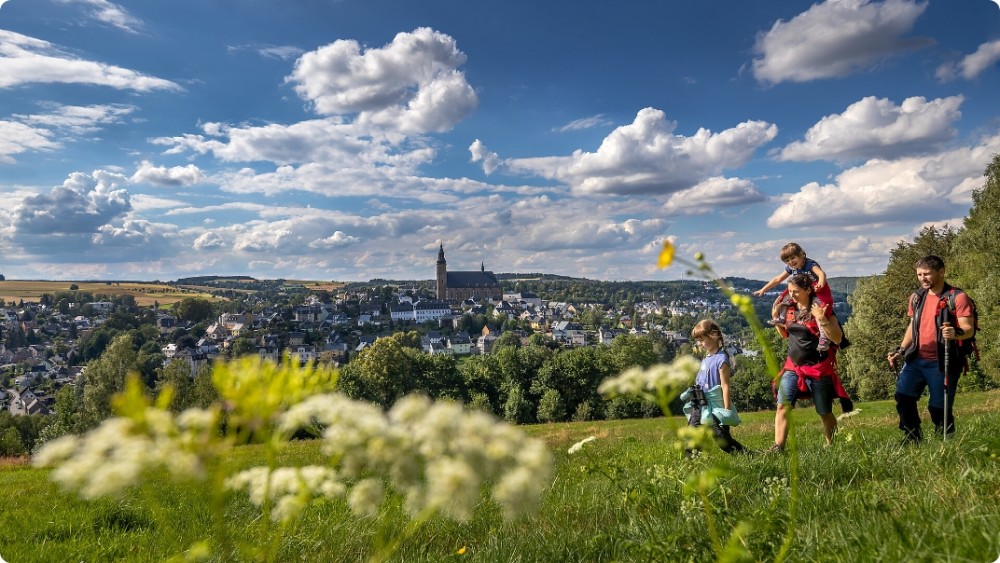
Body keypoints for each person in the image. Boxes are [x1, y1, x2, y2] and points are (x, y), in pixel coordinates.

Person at [887, 255, 974, 443]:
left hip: (943, 361)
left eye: (927, 274)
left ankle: (945, 441)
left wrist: (955, 333)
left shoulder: (958, 298)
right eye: (919, 274)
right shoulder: (917, 297)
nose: (922, 278)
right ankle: (912, 436)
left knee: (938, 407)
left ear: (941, 272)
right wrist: (901, 350)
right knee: (903, 398)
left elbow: (968, 329)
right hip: (916, 359)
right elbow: (913, 326)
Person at [769, 273, 845, 451]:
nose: (791, 295)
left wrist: (821, 318)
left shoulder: (823, 309)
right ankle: (778, 447)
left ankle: (830, 445)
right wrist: (777, 322)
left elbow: (837, 338)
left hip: (818, 367)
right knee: (782, 406)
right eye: (789, 291)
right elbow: (785, 336)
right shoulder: (789, 310)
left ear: (808, 290)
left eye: (795, 291)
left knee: (824, 411)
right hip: (793, 366)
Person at [680, 319, 746, 455]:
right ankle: (691, 464)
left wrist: (727, 411)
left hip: (715, 408)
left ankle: (748, 456)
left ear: (714, 335)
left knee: (723, 440)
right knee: (692, 437)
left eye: (702, 340)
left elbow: (725, 385)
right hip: (699, 404)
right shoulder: (706, 358)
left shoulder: (721, 359)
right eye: (697, 340)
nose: (699, 344)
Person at [754, 242, 834, 351]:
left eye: (793, 258)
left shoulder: (810, 264)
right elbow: (778, 279)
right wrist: (764, 289)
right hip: (800, 288)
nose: (791, 262)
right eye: (787, 260)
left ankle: (824, 337)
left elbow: (821, 274)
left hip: (818, 287)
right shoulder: (791, 268)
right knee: (781, 300)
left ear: (801, 255)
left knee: (823, 308)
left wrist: (820, 282)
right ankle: (781, 319)